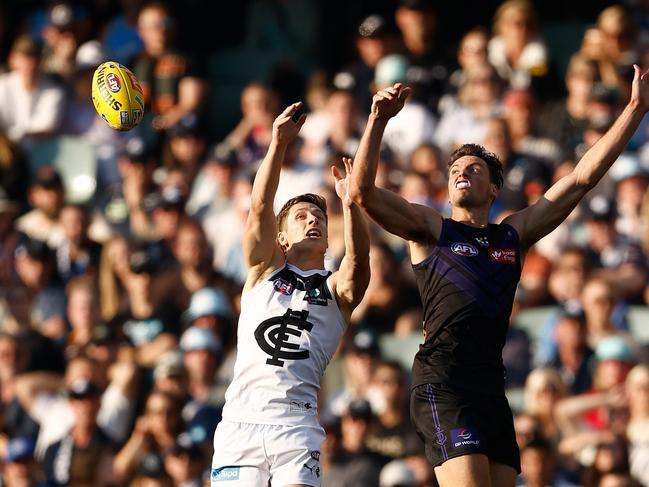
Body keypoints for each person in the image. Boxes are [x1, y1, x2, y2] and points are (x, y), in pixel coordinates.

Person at [348, 63, 649, 487]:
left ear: (493, 189)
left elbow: (581, 178)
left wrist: (635, 108)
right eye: (455, 169)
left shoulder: (513, 235)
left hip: (491, 388)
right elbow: (362, 192)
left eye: (474, 169)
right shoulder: (431, 230)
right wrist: (377, 120)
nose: (461, 172)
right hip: (444, 382)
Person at [211, 102, 370, 486]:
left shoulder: (336, 290)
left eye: (317, 217)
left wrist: (350, 204)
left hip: (296, 426)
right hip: (240, 423)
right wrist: (278, 145)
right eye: (301, 217)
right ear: (282, 237)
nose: (313, 220)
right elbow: (260, 206)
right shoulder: (262, 271)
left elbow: (359, 258)